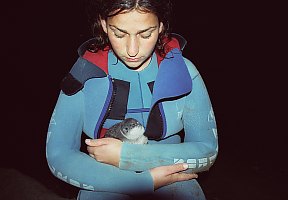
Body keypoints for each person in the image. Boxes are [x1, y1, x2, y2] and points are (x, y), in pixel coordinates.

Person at [46, 0, 218, 199]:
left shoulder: (184, 72)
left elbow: (207, 151)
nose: (132, 50)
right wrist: (142, 182)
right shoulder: (84, 74)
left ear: (161, 26)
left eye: (146, 34)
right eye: (119, 33)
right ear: (103, 24)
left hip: (170, 175)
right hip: (103, 175)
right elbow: (59, 155)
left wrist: (127, 157)